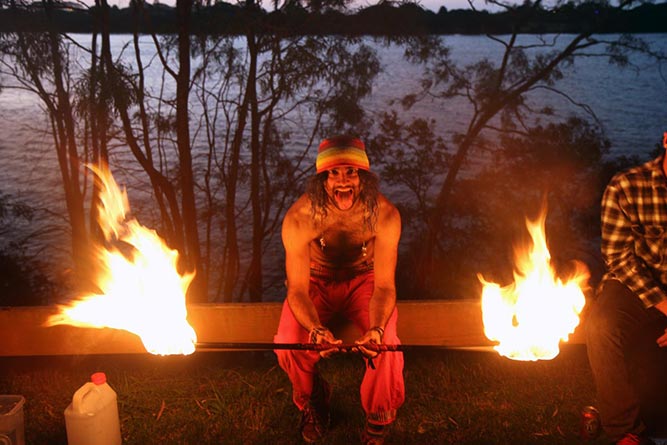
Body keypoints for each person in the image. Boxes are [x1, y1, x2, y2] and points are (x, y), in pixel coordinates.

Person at [273, 136, 405, 445]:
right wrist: (316, 329)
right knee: (289, 341)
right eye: (334, 173)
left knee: (387, 344)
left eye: (351, 172)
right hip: (316, 282)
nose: (343, 180)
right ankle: (313, 400)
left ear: (364, 178)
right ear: (321, 180)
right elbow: (297, 290)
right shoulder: (299, 218)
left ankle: (377, 419)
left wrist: (376, 328)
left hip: (364, 281)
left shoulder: (384, 215)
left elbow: (384, 286)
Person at [586, 132, 667, 445]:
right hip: (635, 284)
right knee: (602, 325)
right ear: (665, 139)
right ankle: (625, 432)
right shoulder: (627, 186)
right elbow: (619, 259)